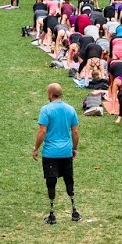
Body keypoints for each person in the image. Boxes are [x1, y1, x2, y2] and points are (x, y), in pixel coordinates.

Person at [34, 83, 80, 225]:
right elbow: (75, 132)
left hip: (50, 153)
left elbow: (42, 131)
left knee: (51, 182)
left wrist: (36, 148)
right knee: (69, 181)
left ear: (50, 94)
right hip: (66, 152)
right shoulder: (70, 109)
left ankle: (52, 213)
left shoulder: (46, 110)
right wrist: (74, 148)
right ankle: (74, 211)